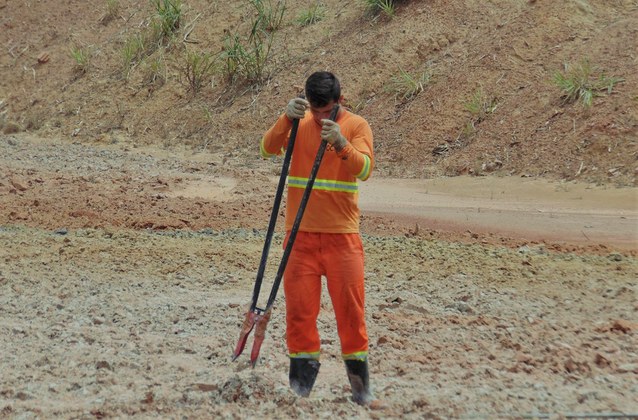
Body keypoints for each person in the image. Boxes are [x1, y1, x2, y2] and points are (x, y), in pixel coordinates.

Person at [260, 71, 376, 405]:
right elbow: (268, 148)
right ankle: (300, 390)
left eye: (326, 110)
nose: (321, 117)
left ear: (340, 100)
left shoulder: (356, 125)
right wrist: (286, 117)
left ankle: (361, 391)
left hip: (343, 238)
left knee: (351, 315)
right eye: (316, 110)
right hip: (300, 239)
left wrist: (341, 143)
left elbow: (365, 170)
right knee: (299, 314)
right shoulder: (299, 122)